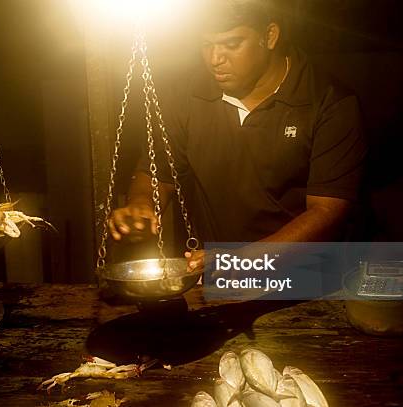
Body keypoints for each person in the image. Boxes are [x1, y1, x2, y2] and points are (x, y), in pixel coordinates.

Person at [108, 0, 367, 273]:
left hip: (307, 280)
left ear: (269, 36)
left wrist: (244, 259)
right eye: (207, 44)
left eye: (232, 45)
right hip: (215, 274)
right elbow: (157, 172)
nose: (214, 59)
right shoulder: (186, 95)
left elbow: (327, 212)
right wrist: (141, 205)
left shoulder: (328, 102)